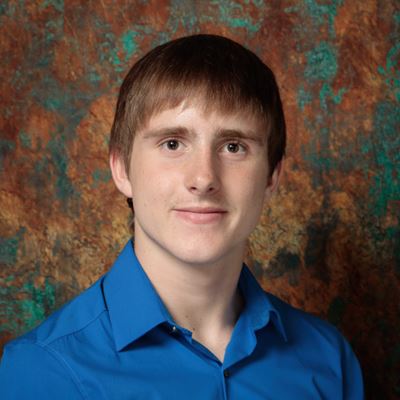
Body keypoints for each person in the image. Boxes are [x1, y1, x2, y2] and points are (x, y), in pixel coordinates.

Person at [0, 34, 364, 399]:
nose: (203, 178)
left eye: (233, 146)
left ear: (271, 176)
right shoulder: (44, 371)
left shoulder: (328, 360)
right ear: (122, 169)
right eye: (172, 143)